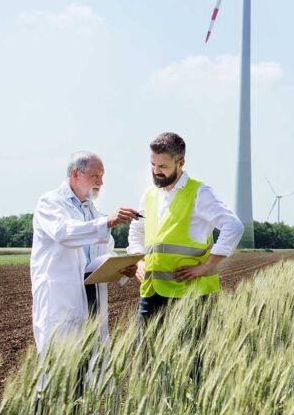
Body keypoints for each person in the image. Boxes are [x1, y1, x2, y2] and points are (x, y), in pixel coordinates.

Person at [126, 132, 244, 324]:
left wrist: (206, 267)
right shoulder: (149, 194)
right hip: (150, 292)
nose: (156, 171)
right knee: (144, 354)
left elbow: (234, 226)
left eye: (163, 166)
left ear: (181, 163)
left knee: (189, 353)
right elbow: (136, 230)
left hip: (190, 294)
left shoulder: (199, 193)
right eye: (153, 164)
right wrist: (139, 260)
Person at [30, 151, 140, 357]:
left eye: (102, 176)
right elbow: (64, 233)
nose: (101, 182)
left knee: (91, 372)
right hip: (62, 301)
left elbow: (105, 251)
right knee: (59, 374)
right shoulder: (50, 203)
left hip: (92, 303)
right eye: (95, 176)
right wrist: (108, 222)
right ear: (75, 174)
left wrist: (123, 268)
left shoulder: (92, 210)